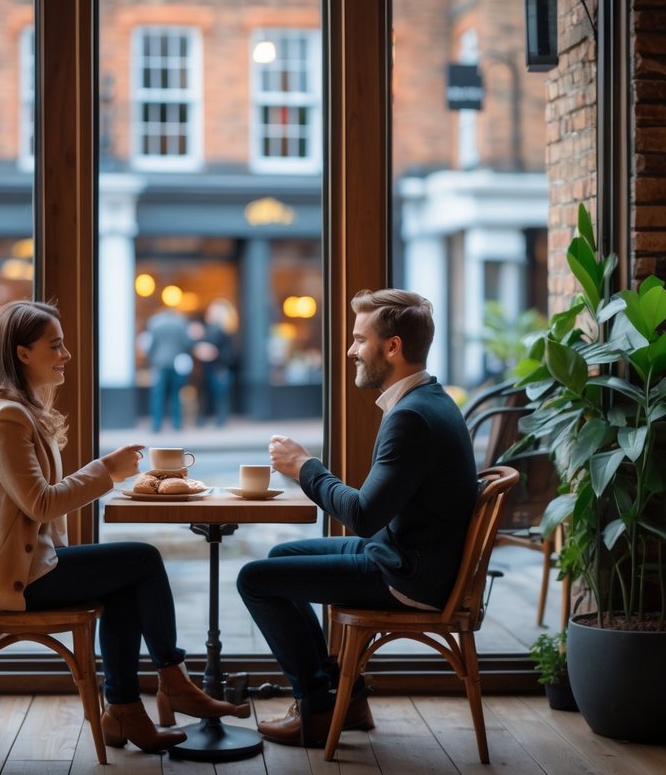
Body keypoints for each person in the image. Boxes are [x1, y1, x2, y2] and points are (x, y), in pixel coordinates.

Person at [0, 300, 248, 753]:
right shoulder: (5, 416)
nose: (66, 354)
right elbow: (41, 503)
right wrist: (107, 470)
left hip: (20, 567)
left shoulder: (6, 409)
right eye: (56, 346)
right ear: (22, 353)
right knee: (142, 559)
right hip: (15, 579)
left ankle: (124, 710)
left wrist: (105, 472)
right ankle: (173, 681)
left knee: (125, 577)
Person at [237, 289, 478, 748]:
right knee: (279, 557)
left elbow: (364, 515)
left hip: (409, 575)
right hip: (409, 555)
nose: (350, 350)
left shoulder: (412, 418)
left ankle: (318, 705)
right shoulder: (430, 400)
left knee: (255, 579)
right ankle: (342, 698)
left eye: (358, 339)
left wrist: (305, 468)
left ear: (392, 347)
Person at [139, 305, 192, 432]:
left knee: (157, 395)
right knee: (176, 394)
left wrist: (151, 358)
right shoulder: (181, 322)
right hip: (176, 363)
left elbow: (151, 345)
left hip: (159, 363)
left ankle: (156, 425)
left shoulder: (155, 322)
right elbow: (187, 343)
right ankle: (177, 424)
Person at [193, 298, 237, 428]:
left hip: (219, 369)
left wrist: (214, 353)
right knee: (207, 395)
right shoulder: (208, 329)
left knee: (220, 396)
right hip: (209, 368)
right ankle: (205, 419)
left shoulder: (224, 330)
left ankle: (220, 420)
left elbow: (229, 354)